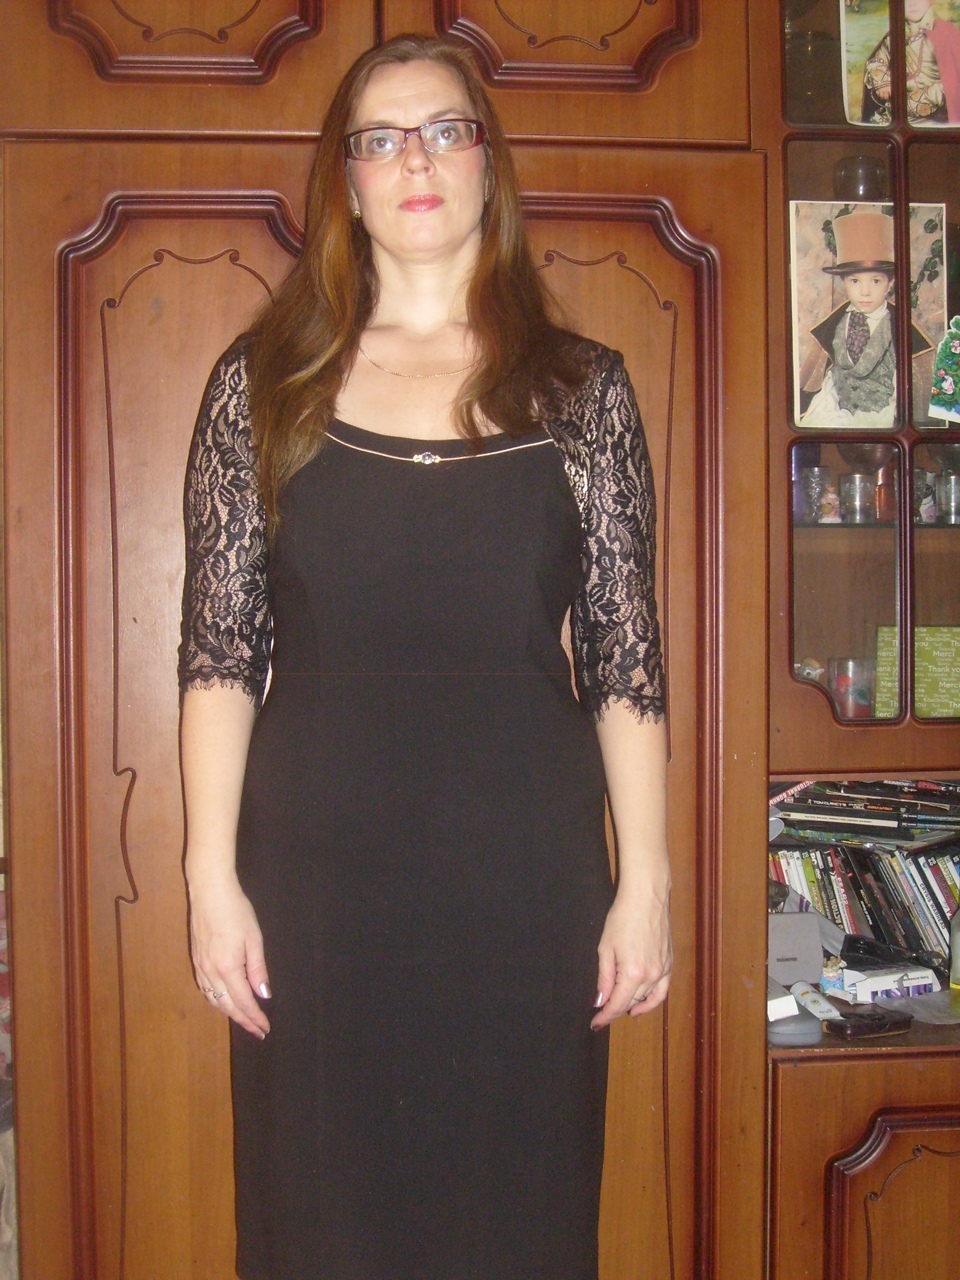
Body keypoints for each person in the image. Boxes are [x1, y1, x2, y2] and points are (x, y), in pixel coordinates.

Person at [179, 32, 671, 1280]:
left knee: (516, 1211)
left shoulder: (581, 392)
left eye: (446, 130)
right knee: (321, 1216)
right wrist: (207, 873)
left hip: (524, 878)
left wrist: (648, 878)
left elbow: (625, 658)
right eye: (383, 138)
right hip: (315, 880)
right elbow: (220, 652)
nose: (417, 160)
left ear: (487, 164)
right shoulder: (263, 386)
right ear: (345, 182)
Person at [798, 210, 932, 427]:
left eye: (876, 281)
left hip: (885, 425)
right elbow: (825, 383)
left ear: (890, 283)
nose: (865, 292)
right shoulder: (833, 326)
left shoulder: (902, 329)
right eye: (855, 281)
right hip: (840, 424)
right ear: (844, 282)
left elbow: (913, 393)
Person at [862, 0, 960, 125]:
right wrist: (882, 82)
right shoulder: (893, 36)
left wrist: (916, 101)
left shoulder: (946, 33)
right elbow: (877, 61)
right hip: (893, 113)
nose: (912, 4)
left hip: (933, 118)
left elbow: (953, 81)